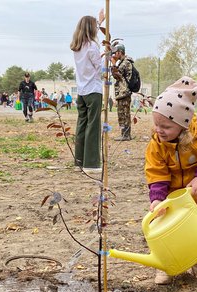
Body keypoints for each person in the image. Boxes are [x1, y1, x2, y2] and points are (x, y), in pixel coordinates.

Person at [145, 76, 197, 285]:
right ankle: (166, 265)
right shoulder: (157, 144)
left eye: (165, 126)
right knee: (164, 229)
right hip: (170, 197)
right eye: (156, 124)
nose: (159, 130)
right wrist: (157, 198)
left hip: (195, 195)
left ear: (183, 125)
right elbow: (156, 171)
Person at [70, 11, 105, 173]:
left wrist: (99, 21)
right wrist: (106, 55)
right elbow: (101, 69)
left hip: (82, 91)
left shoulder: (78, 46)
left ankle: (79, 161)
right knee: (93, 126)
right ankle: (91, 163)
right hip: (93, 90)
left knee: (82, 124)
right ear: (90, 29)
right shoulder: (92, 46)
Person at [111, 44, 133, 141]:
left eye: (116, 53)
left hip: (124, 91)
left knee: (124, 114)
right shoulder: (124, 62)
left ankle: (126, 135)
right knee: (122, 113)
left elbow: (117, 75)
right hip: (122, 92)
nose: (115, 55)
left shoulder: (125, 63)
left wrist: (114, 64)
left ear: (120, 52)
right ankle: (124, 133)